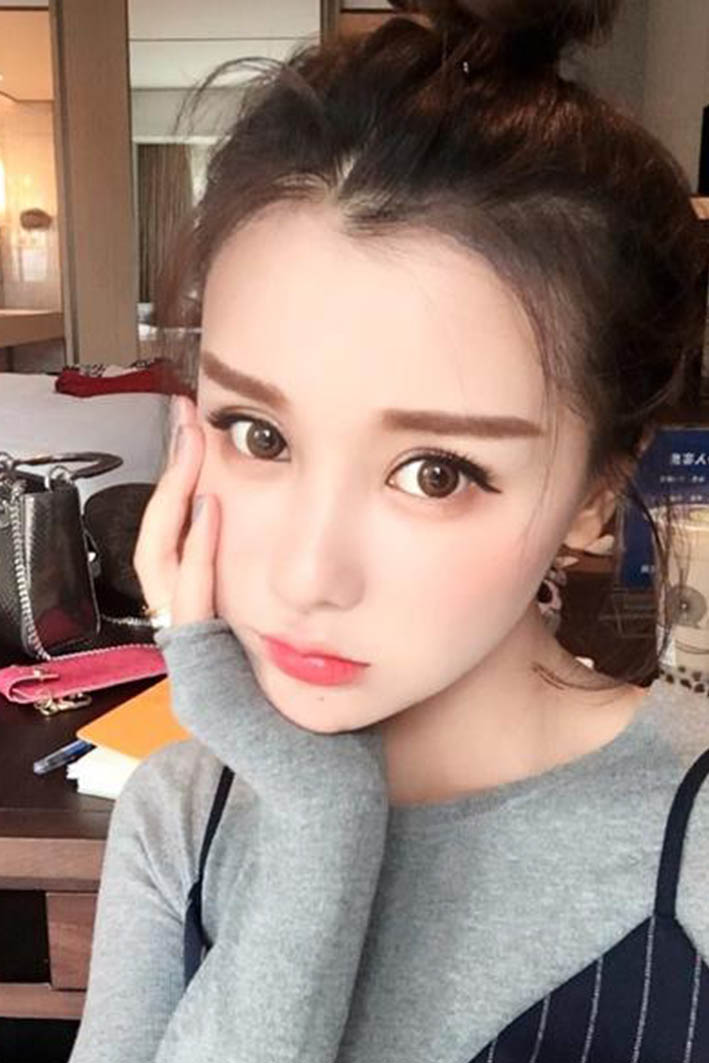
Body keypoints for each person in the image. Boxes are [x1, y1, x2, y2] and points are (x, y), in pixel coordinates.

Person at [68, 1, 709, 1061]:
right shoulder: (183, 813)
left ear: (597, 494)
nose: (306, 573)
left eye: (434, 472)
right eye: (258, 434)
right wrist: (317, 821)